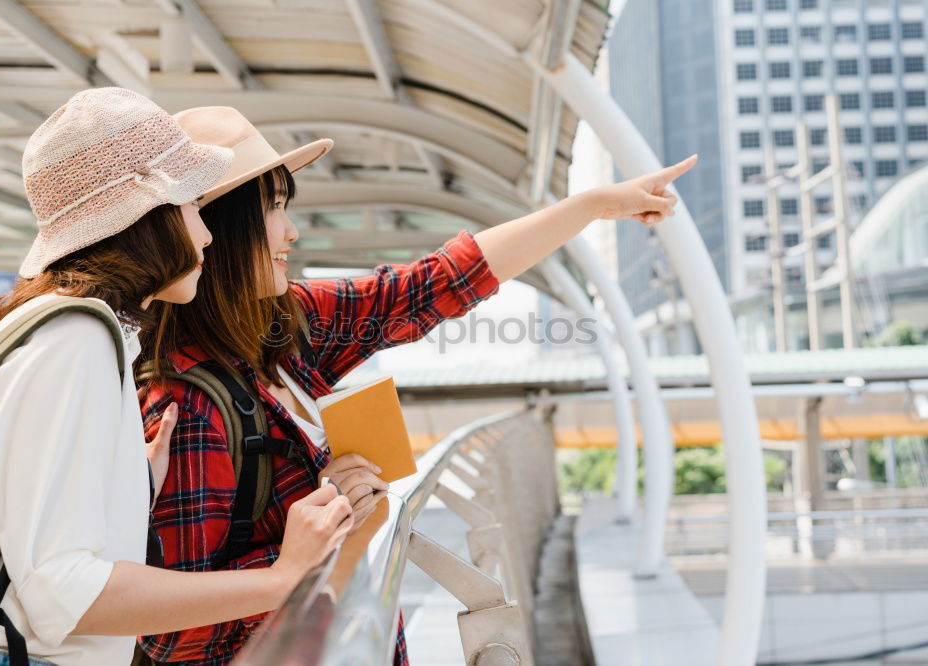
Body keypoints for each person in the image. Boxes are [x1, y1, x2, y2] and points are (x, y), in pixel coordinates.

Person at [136, 105, 696, 665]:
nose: (291, 230)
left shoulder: (280, 327)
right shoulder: (185, 403)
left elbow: (428, 287)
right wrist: (309, 540)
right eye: (272, 210)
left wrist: (593, 206)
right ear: (217, 230)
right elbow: (168, 636)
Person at [0, 88, 352, 666]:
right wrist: (284, 577)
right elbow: (65, 597)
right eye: (191, 208)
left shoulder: (45, 323)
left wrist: (127, 487)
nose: (206, 234)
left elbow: (29, 530)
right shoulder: (75, 339)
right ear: (146, 216)